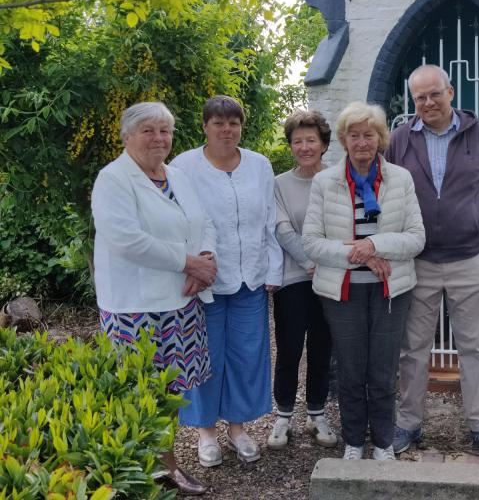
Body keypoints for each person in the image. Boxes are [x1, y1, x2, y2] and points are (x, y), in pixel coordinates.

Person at [92, 101, 217, 495]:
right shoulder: (113, 179)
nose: (158, 138)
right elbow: (127, 239)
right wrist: (188, 264)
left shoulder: (177, 175)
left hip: (179, 303)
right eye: (148, 130)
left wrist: (206, 259)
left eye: (165, 130)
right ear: (127, 135)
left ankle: (166, 465)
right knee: (137, 392)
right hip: (135, 306)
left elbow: (203, 222)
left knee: (172, 388)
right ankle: (138, 470)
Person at [385, 64, 479, 458]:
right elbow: (388, 193)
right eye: (420, 97)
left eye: (435, 93)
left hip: (469, 257)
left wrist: (469, 224)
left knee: (473, 346)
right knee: (413, 347)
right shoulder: (400, 139)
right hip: (417, 260)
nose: (428, 102)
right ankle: (408, 423)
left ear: (450, 92)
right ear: (413, 101)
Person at [302, 102, 425, 461]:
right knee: (352, 370)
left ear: (380, 138)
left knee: (384, 372)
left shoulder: (400, 178)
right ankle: (354, 441)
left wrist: (375, 245)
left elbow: (417, 237)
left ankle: (384, 442)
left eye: (368, 134)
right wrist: (362, 255)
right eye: (353, 135)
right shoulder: (325, 181)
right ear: (342, 140)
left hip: (390, 290)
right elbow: (311, 241)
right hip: (343, 292)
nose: (361, 142)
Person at [172, 95, 282, 468]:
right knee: (204, 358)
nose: (226, 129)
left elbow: (269, 220)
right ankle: (205, 434)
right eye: (218, 123)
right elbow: (176, 220)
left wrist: (274, 269)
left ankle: (237, 429)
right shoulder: (183, 166)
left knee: (246, 355)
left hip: (250, 276)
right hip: (204, 283)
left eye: (233, 122)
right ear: (204, 126)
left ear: (241, 127)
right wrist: (191, 262)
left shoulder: (259, 165)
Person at [270, 110, 337, 450]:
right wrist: (311, 262)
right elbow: (282, 228)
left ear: (324, 144)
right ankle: (282, 416)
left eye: (311, 140)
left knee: (323, 346)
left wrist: (326, 264)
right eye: (298, 141)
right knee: (290, 347)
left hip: (333, 277)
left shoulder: (339, 178)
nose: (305, 146)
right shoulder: (280, 184)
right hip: (294, 277)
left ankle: (317, 413)